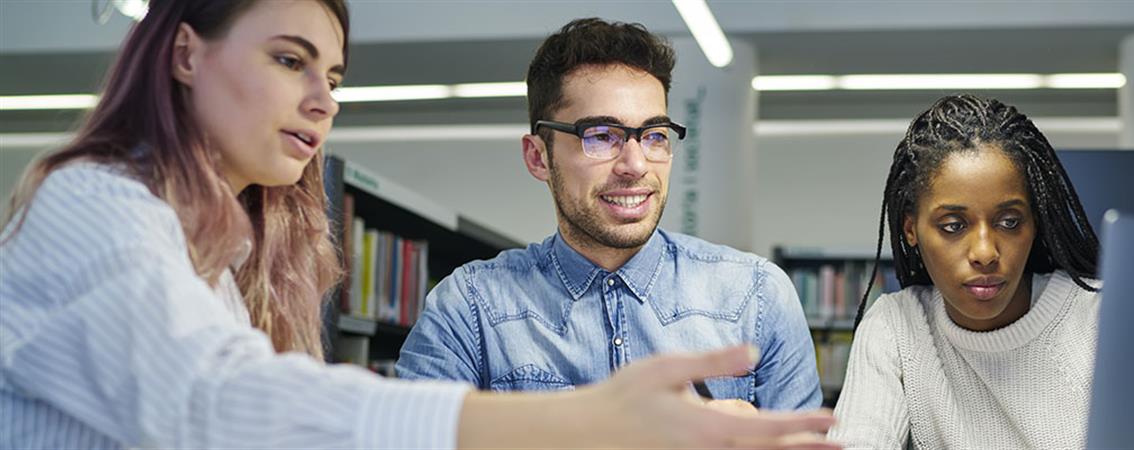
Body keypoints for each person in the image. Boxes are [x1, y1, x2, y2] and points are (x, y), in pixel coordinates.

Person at [0, 1, 836, 448]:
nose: (324, 98)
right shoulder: (92, 206)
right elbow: (215, 404)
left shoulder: (220, 263)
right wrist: (585, 426)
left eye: (653, 136)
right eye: (289, 60)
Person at [394, 18, 822, 412]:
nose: (635, 165)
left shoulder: (758, 296)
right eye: (601, 136)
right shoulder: (471, 308)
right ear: (538, 157)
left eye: (654, 135)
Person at [827, 94, 1103, 449]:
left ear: (1034, 223)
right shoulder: (897, 326)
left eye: (1009, 221)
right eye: (954, 226)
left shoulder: (1101, 316)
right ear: (911, 230)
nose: (985, 253)